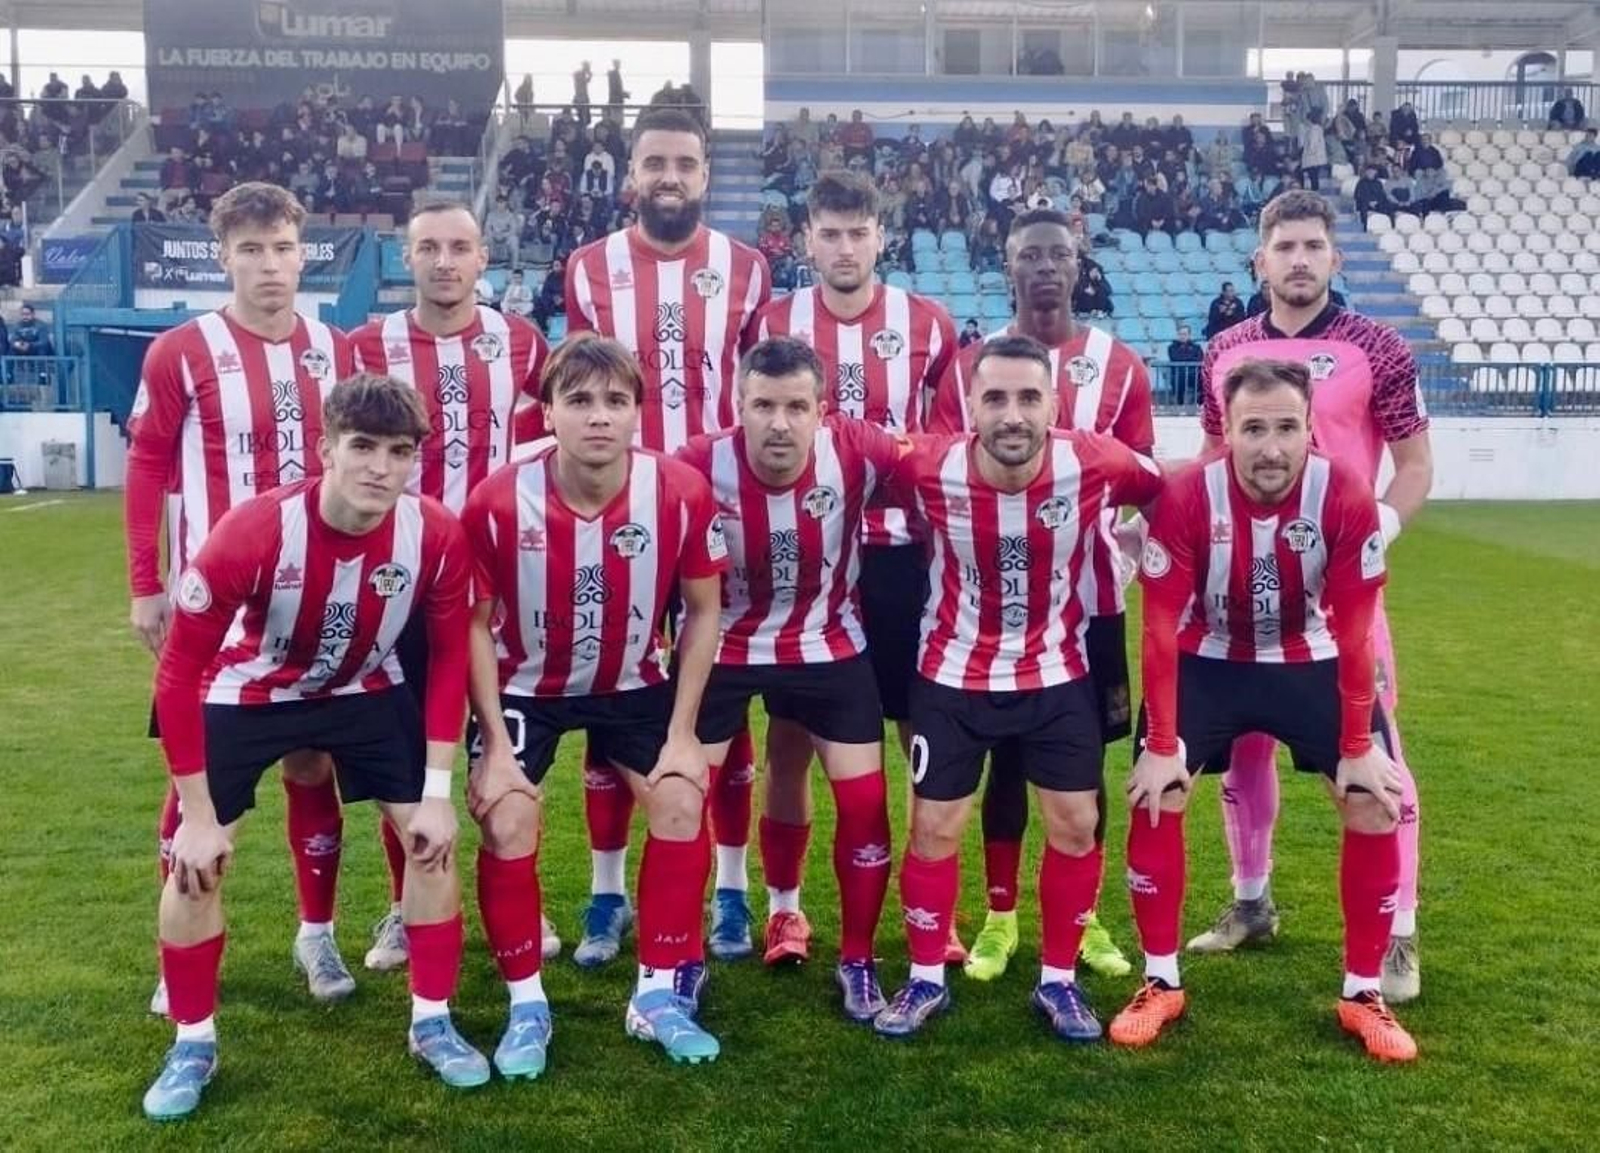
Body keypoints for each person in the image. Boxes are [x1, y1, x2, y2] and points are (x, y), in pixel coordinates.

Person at [139, 374, 483, 1121]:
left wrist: (436, 791)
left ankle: (432, 1020)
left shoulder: (436, 532)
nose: (379, 467)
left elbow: (450, 659)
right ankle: (192, 1040)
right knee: (194, 861)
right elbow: (180, 671)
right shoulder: (256, 528)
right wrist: (197, 813)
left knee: (431, 843)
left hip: (363, 689)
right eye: (362, 446)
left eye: (398, 451)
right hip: (252, 691)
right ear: (326, 448)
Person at [1114, 356, 1416, 1064]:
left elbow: (1352, 628)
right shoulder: (1191, 495)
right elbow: (1159, 627)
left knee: (1372, 796)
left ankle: (1362, 991)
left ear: (1312, 429)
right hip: (1207, 658)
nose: (1271, 446)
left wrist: (1355, 743)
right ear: (1227, 433)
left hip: (1310, 656)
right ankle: (1159, 982)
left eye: (1287, 427)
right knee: (1157, 794)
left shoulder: (1341, 492)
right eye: (1254, 428)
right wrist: (1163, 743)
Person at [873, 334, 1165, 1041]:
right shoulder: (925, 465)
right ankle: (923, 979)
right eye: (996, 398)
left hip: (1058, 676)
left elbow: (1162, 491)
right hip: (950, 676)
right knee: (934, 829)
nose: (1012, 414)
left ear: (1054, 405)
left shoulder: (1092, 460)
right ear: (969, 405)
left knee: (1076, 823)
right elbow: (849, 468)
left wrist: (1126, 555)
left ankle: (1058, 982)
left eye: (1029, 398)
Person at [1188, 190, 1432, 1004]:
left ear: (1333, 257)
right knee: (1244, 747)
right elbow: (1212, 460)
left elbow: (1416, 463)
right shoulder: (1224, 348)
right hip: (1242, 588)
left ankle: (1397, 932)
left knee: (1378, 758)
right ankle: (1251, 899)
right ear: (1260, 259)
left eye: (1312, 246)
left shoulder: (1380, 347)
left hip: (1343, 596)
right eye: (1284, 246)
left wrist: (1377, 535)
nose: (1298, 259)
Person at [460, 334, 727, 1070]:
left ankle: (657, 994)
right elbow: (473, 626)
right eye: (578, 400)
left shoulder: (679, 491)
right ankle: (526, 1005)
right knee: (507, 813)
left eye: (615, 400)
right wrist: (496, 746)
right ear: (547, 412)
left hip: (635, 684)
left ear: (640, 412)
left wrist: (682, 733)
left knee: (680, 795)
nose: (598, 416)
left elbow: (704, 610)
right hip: (525, 687)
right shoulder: (495, 499)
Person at [124, 183, 356, 1019]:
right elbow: (148, 464)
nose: (269, 264)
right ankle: (177, 942)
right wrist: (146, 584)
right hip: (215, 608)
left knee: (313, 759)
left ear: (304, 252)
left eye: (283, 247)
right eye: (251, 249)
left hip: (317, 599)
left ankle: (316, 929)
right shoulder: (182, 351)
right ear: (223, 255)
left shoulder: (340, 350)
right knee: (197, 782)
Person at [563, 104, 771, 966]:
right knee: (619, 696)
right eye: (655, 162)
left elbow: (759, 390)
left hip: (718, 508)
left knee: (722, 696)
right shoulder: (588, 268)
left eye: (685, 162)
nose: (670, 176)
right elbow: (586, 384)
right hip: (620, 510)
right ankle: (607, 892)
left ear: (705, 175)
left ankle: (731, 887)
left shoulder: (747, 269)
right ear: (631, 173)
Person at [928, 207, 1154, 983]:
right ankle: (998, 918)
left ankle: (1083, 920)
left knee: (1082, 766)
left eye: (1059, 253)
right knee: (1004, 763)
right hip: (989, 608)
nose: (1047, 267)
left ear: (1079, 259)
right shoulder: (969, 367)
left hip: (1089, 609)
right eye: (1031, 254)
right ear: (1009, 263)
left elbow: (1143, 476)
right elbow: (944, 466)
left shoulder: (1120, 365)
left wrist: (1122, 552)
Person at [749, 171, 956, 964]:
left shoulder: (928, 325)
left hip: (902, 556)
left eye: (857, 231)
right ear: (806, 239)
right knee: (793, 740)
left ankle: (924, 904)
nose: (843, 246)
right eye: (828, 232)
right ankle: (786, 909)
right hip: (805, 553)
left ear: (881, 236)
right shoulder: (773, 321)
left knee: (917, 735)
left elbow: (938, 443)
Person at [348, 202, 550, 968]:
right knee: (403, 748)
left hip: (497, 569)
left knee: (510, 741)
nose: (443, 261)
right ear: (408, 256)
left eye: (458, 247)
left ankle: (523, 896)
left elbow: (547, 434)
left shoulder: (520, 340)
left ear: (483, 256)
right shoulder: (370, 344)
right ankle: (407, 905)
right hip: (399, 571)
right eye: (428, 247)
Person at [678, 337, 900, 1017]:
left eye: (796, 406)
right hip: (724, 648)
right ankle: (681, 958)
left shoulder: (860, 450)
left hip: (829, 643)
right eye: (764, 405)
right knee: (683, 804)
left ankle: (858, 959)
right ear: (737, 405)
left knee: (864, 805)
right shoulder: (693, 465)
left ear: (822, 411)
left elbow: (951, 471)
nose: (780, 422)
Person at [1166, 323, 1203, 402]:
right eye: (1180, 334)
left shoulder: (1197, 347)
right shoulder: (1172, 347)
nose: (1182, 336)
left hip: (1193, 374)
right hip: (1179, 373)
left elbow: (1199, 359)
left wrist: (1184, 359)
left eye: (1185, 334)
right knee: (1178, 378)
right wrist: (1190, 358)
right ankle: (1180, 403)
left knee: (1203, 378)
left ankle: (1199, 403)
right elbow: (1175, 358)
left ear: (1189, 335)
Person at [1353, 163, 1396, 227]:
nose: (1371, 173)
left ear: (1375, 173)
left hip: (1377, 204)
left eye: (1372, 172)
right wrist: (1369, 202)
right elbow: (1358, 196)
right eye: (1369, 172)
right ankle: (1365, 226)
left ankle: (1392, 225)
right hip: (1365, 204)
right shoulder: (1361, 183)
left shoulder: (1378, 183)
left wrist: (1377, 202)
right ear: (1366, 172)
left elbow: (1382, 195)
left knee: (1389, 206)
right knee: (1363, 206)